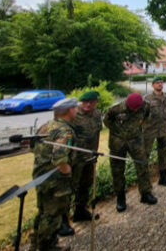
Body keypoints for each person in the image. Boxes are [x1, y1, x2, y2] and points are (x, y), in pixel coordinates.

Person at [30, 98, 77, 251]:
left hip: (40, 176)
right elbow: (59, 158)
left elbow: (33, 147)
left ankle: (36, 245)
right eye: (75, 108)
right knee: (53, 214)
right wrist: (67, 170)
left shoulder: (45, 126)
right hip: (55, 180)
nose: (76, 111)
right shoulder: (65, 131)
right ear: (70, 110)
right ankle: (47, 246)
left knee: (43, 212)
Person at [104, 93, 157, 212]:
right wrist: (119, 132)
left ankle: (145, 193)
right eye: (133, 109)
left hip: (136, 140)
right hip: (118, 142)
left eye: (137, 109)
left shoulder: (145, 106)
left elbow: (147, 117)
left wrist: (137, 128)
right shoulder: (115, 109)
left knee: (142, 165)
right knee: (117, 169)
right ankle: (120, 198)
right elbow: (106, 121)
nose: (135, 110)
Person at [70, 90, 102, 223]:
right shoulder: (73, 115)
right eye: (85, 102)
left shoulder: (97, 114)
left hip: (90, 156)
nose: (88, 105)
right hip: (76, 159)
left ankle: (80, 210)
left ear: (96, 102)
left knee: (86, 184)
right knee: (71, 187)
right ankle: (63, 220)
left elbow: (97, 133)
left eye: (91, 102)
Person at [143, 76, 166, 186]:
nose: (160, 84)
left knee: (163, 153)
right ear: (153, 85)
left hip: (163, 129)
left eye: (161, 82)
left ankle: (163, 177)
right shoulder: (147, 98)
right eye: (157, 83)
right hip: (149, 130)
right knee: (145, 154)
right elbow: (142, 115)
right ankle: (144, 181)